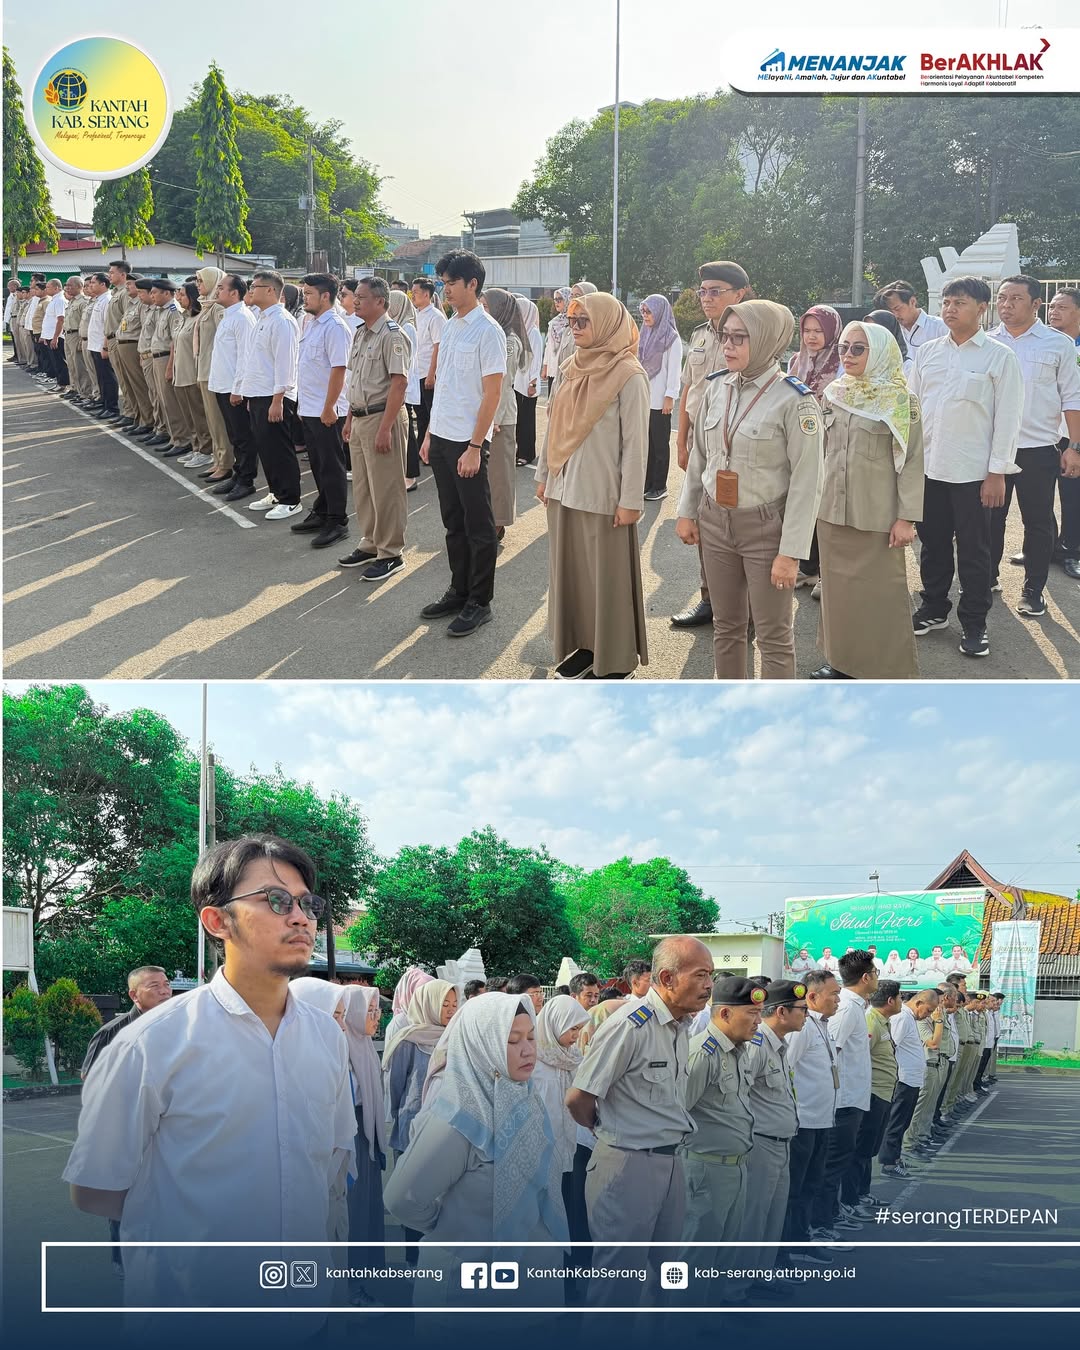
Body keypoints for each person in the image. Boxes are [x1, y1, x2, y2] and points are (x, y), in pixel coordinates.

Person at [62, 834, 356, 1311]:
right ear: (217, 921)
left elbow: (330, 1163)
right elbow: (95, 1191)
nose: (300, 917)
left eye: (307, 903)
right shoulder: (151, 1044)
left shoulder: (326, 1036)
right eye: (276, 900)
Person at [383, 993, 567, 1303]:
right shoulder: (457, 1120)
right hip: (468, 1299)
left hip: (533, 1292)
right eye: (512, 1041)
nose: (528, 1050)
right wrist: (456, 1229)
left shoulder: (527, 1100)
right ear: (484, 1044)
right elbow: (402, 1199)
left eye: (531, 1037)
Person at [675, 298, 824, 679]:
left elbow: (808, 484)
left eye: (740, 338)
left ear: (767, 341)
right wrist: (687, 510)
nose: (728, 346)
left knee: (773, 636)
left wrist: (791, 553)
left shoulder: (795, 401)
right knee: (727, 628)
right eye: (726, 337)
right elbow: (700, 457)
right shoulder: (716, 387)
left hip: (765, 528)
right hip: (715, 521)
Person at [565, 937, 714, 1304]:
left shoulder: (679, 1027)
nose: (709, 985)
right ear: (666, 977)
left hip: (670, 1162)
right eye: (700, 975)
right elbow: (579, 1098)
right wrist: (611, 1131)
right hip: (627, 1163)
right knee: (618, 1285)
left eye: (711, 975)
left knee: (667, 1276)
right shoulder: (630, 1026)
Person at [909, 276, 1023, 659]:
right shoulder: (927, 353)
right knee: (933, 544)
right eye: (946, 301)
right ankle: (934, 609)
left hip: (975, 475)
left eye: (959, 302)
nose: (950, 308)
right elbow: (911, 411)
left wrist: (997, 473)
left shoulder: (998, 356)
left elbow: (1008, 419)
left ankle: (975, 624)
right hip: (930, 469)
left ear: (981, 308)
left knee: (975, 552)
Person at [537, 291, 649, 680]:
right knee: (575, 576)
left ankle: (616, 659)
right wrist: (543, 475)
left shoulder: (628, 374)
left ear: (606, 322)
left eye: (584, 321)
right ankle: (587, 647)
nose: (577, 328)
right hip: (564, 487)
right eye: (573, 321)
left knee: (607, 579)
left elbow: (636, 444)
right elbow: (553, 425)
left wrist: (631, 499)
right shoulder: (571, 366)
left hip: (604, 494)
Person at [812, 321, 924, 679]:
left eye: (858, 348)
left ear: (879, 352)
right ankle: (842, 663)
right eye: (844, 347)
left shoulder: (900, 401)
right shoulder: (834, 392)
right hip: (831, 510)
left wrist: (907, 518)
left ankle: (885, 670)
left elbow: (912, 462)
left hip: (878, 515)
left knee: (880, 597)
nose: (848, 355)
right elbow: (821, 453)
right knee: (838, 596)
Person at [419, 249, 505, 637]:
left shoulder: (488, 331)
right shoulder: (452, 325)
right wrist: (429, 435)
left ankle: (479, 601)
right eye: (443, 283)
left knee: (478, 524)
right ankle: (459, 588)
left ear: (473, 284)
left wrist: (475, 446)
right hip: (442, 436)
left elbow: (491, 395)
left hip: (467, 444)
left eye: (451, 283)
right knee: (452, 521)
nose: (446, 289)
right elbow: (448, 388)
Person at [988, 275, 1080, 616]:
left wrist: (1074, 446)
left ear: (1036, 304)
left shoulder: (1058, 345)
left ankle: (1033, 590)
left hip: (1038, 448)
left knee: (1038, 521)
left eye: (1015, 299)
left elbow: (1072, 397)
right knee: (989, 518)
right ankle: (988, 577)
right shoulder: (987, 343)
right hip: (994, 449)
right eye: (1002, 298)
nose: (1007, 305)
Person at [672, 261, 755, 629]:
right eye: (702, 291)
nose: (706, 298)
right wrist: (681, 439)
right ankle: (711, 598)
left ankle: (748, 606)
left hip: (739, 443)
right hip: (701, 441)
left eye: (715, 291)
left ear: (740, 294)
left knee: (742, 523)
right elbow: (690, 387)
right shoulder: (701, 335)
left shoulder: (753, 332)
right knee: (706, 521)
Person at [337, 276, 411, 578]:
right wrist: (350, 418)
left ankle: (391, 552)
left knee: (387, 489)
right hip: (360, 418)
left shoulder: (392, 335)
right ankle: (370, 543)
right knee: (364, 488)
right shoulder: (361, 333)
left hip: (383, 419)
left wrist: (385, 428)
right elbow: (356, 380)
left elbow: (399, 383)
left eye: (362, 297)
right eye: (355, 296)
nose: (355, 301)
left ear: (381, 301)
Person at [683, 976, 763, 1246]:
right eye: (752, 1013)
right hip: (705, 1173)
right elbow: (676, 1118)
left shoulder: (738, 1051)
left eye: (760, 1013)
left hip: (736, 1168)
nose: (758, 1021)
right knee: (696, 1262)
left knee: (726, 1262)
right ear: (726, 1013)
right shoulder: (702, 1055)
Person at [743, 980, 806, 1283]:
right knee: (753, 1219)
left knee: (772, 1217)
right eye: (802, 1009)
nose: (806, 1014)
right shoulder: (756, 1046)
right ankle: (739, 1287)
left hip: (780, 1143)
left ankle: (760, 1278)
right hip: (760, 1144)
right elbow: (739, 1095)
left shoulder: (777, 1044)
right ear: (782, 1011)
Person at [819, 950, 878, 1237]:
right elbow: (832, 1051)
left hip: (853, 1097)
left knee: (842, 1161)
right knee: (833, 1166)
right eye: (875, 972)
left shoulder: (857, 1006)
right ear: (866, 977)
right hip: (842, 1101)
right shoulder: (847, 1008)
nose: (877, 977)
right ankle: (824, 1219)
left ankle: (832, 1211)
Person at [236, 270, 302, 520]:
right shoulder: (262, 318)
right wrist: (250, 396)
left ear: (271, 291)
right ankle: (276, 492)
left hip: (276, 396)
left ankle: (291, 499)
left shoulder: (282, 321)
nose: (251, 290)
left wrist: (278, 400)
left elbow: (285, 364)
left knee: (280, 448)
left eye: (255, 286)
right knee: (266, 447)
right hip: (259, 394)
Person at [292, 273, 352, 549]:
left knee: (331, 466)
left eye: (308, 294)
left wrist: (329, 407)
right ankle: (323, 508)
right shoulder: (312, 323)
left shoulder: (335, 327)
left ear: (325, 296)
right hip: (311, 407)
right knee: (317, 464)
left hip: (328, 410)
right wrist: (305, 406)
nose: (304, 298)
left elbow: (339, 370)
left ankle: (337, 521)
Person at [784, 969, 840, 1253]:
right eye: (834, 994)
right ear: (813, 996)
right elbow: (786, 1070)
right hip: (803, 1122)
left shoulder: (822, 1025)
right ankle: (793, 1244)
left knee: (812, 1183)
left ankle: (802, 1238)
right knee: (797, 1187)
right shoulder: (803, 1028)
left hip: (821, 1120)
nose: (838, 1000)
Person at [788, 304, 842, 589]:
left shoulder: (842, 362)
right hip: (803, 439)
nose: (811, 337)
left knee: (828, 506)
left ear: (831, 331)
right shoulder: (796, 361)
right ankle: (808, 568)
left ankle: (827, 573)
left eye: (818, 331)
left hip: (832, 442)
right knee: (805, 501)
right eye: (807, 331)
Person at [341, 983, 387, 1306]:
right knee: (353, 1214)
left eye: (377, 1011)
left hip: (368, 1138)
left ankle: (367, 1284)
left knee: (369, 1211)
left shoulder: (365, 1045)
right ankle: (351, 1289)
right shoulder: (340, 1045)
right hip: (352, 1137)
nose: (375, 1018)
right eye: (369, 1011)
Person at [532, 994, 590, 1225]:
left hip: (570, 1145)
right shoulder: (532, 1060)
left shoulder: (574, 1057)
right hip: (541, 1147)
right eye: (572, 1029)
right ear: (555, 1024)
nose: (576, 1036)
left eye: (579, 1029)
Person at [383, 976, 458, 1155]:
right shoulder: (409, 1039)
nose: (451, 1011)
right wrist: (399, 1113)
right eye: (445, 1005)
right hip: (412, 1119)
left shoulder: (455, 1037)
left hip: (445, 1125)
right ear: (429, 1004)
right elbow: (395, 1085)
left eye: (454, 1005)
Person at [483, 288, 530, 539]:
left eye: (487, 307)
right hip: (489, 413)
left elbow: (504, 379)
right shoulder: (494, 334)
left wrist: (495, 418)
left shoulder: (510, 340)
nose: (483, 311)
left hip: (501, 417)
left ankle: (498, 523)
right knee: (488, 474)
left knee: (500, 473)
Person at [207, 275, 258, 501]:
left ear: (234, 293)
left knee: (243, 436)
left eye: (221, 288)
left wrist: (238, 389)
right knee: (234, 435)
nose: (217, 292)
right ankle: (238, 475)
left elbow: (246, 358)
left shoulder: (243, 318)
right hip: (222, 384)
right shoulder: (229, 316)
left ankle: (247, 480)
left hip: (234, 388)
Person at [878, 988, 938, 1175]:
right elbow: (891, 1046)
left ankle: (895, 1158)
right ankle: (889, 1163)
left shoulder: (909, 1018)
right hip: (903, 1079)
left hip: (911, 1079)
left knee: (903, 1123)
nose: (927, 1015)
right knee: (896, 1123)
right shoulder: (903, 1017)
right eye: (928, 1010)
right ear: (918, 1003)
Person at [81, 966, 174, 1081]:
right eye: (154, 986)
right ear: (134, 995)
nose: (164, 991)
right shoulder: (111, 1032)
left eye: (167, 984)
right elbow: (90, 1077)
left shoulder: (177, 1026)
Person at [1046, 287, 1080, 580]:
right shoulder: (1045, 342)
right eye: (1052, 306)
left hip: (1074, 434)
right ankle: (1043, 548)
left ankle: (1071, 550)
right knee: (1039, 496)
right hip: (1046, 433)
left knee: (1073, 496)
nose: (1053, 311)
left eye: (1062, 307)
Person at [638, 294, 682, 501]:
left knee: (660, 443)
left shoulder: (671, 338)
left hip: (660, 399)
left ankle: (660, 486)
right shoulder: (645, 333)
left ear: (660, 312)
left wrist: (670, 396)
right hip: (645, 397)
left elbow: (674, 370)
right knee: (646, 443)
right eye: (643, 311)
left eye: (649, 312)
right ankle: (647, 482)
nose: (645, 316)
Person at [192, 266, 232, 485]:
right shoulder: (206, 306)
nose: (198, 284)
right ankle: (218, 459)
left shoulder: (218, 309)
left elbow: (222, 343)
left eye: (201, 280)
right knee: (211, 419)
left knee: (218, 421)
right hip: (204, 369)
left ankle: (226, 463)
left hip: (214, 371)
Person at [169, 282, 215, 469]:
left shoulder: (199, 319)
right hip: (180, 373)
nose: (178, 298)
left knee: (199, 415)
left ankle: (206, 451)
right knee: (189, 415)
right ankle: (196, 448)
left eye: (181, 294)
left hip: (193, 373)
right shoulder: (183, 318)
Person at [905, 989, 947, 1158]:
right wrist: (938, 1021)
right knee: (918, 1108)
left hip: (935, 1063)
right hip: (925, 1066)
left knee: (928, 1107)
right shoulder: (922, 1021)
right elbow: (933, 1043)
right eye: (937, 1004)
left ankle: (921, 1137)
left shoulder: (932, 1018)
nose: (939, 1007)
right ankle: (909, 1143)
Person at [410, 275, 447, 464]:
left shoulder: (436, 317)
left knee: (432, 413)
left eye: (415, 292)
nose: (412, 295)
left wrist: (431, 374)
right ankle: (421, 449)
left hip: (428, 373)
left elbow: (437, 347)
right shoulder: (416, 314)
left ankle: (433, 451)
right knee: (421, 414)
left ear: (426, 294)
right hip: (417, 371)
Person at [872, 279, 948, 357]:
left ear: (912, 301)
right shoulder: (888, 332)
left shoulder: (940, 327)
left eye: (897, 309)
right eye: (890, 312)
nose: (895, 315)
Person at [513, 293, 544, 467]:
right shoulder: (518, 331)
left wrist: (532, 383)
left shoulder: (533, 333)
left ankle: (527, 453)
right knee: (518, 420)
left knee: (527, 421)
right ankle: (520, 451)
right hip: (517, 383)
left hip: (528, 384)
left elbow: (536, 360)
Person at [84, 274, 120, 419]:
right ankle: (104, 404)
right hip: (94, 345)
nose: (90, 285)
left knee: (108, 377)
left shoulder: (107, 300)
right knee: (101, 378)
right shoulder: (98, 300)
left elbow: (108, 325)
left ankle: (112, 407)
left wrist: (105, 347)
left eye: (93, 283)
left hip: (101, 346)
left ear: (103, 284)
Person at [385, 967, 435, 1042]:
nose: (427, 1001)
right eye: (422, 996)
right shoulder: (400, 1023)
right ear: (410, 995)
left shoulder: (432, 1020)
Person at [864, 308, 913, 379]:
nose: (870, 334)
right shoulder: (865, 363)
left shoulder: (906, 367)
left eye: (875, 329)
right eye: (868, 330)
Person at [541, 286, 572, 399]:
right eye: (555, 299)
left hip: (567, 368)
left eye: (560, 299)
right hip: (553, 369)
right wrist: (545, 367)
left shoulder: (574, 321)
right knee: (552, 403)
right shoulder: (553, 323)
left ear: (569, 299)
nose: (557, 302)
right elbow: (549, 347)